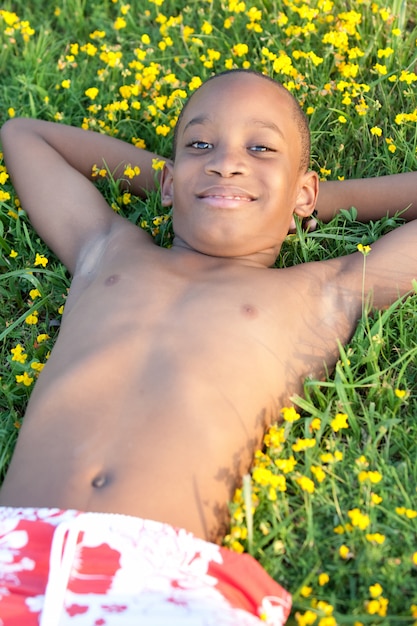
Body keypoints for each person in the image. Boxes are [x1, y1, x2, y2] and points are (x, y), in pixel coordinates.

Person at [0, 69, 416, 625]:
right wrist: (179, 178)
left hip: (158, 581)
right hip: (12, 547)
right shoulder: (107, 249)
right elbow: (25, 134)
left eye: (260, 148)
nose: (226, 162)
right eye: (201, 145)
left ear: (303, 190)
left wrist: (318, 200)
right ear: (169, 180)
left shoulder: (321, 293)